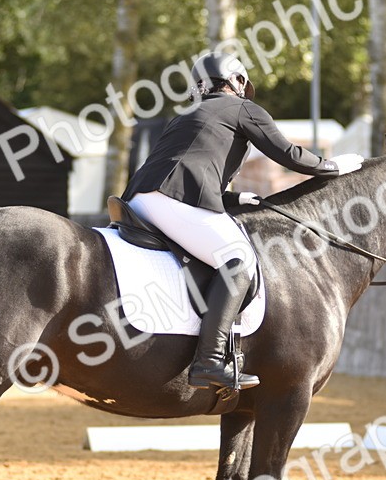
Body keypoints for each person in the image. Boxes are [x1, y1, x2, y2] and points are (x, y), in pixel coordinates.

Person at [122, 52, 363, 391]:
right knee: (238, 258)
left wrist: (236, 199)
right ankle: (208, 361)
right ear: (236, 81)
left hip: (140, 199)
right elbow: (289, 155)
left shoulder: (184, 115)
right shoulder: (242, 108)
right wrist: (333, 167)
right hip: (171, 200)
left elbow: (188, 167)